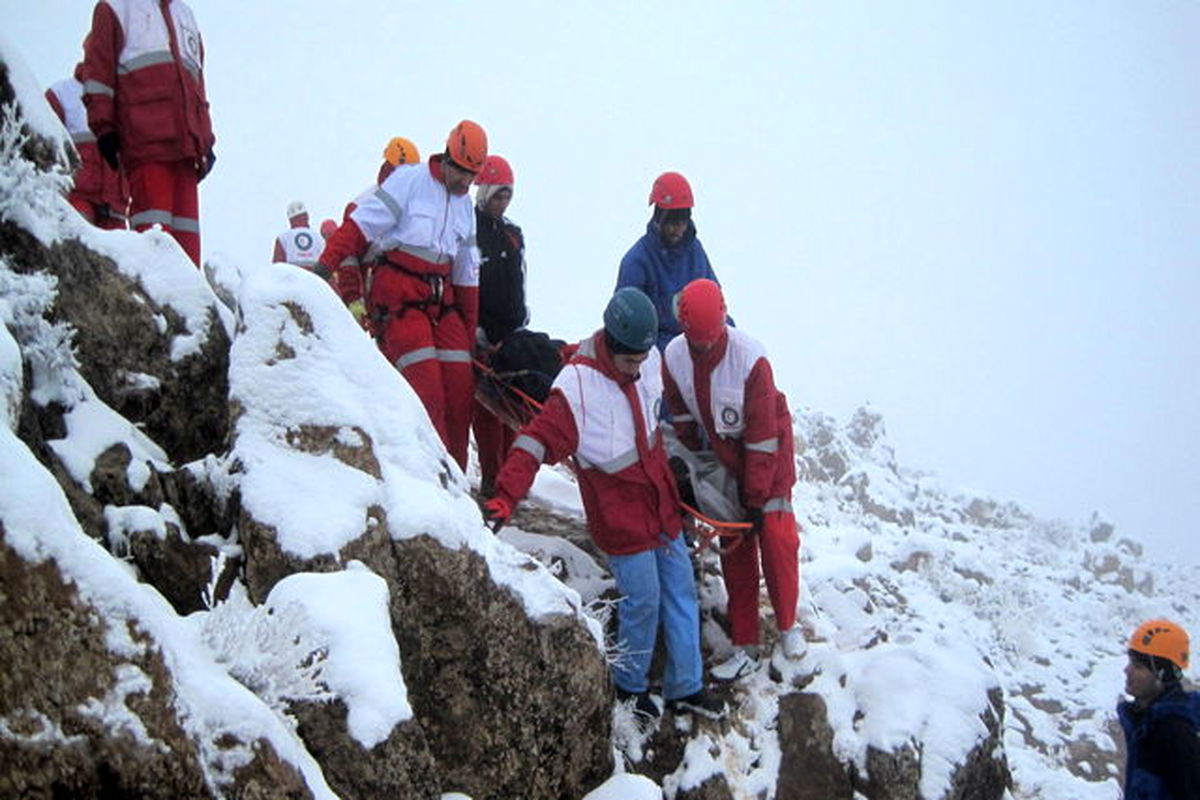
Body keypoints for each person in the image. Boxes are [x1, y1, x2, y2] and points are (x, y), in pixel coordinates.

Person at [483, 288, 725, 721]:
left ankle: (685, 686)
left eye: (642, 358)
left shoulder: (648, 358)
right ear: (611, 344)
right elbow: (534, 442)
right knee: (643, 599)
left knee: (680, 587)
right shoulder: (575, 387)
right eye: (630, 359)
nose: (638, 367)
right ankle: (630, 687)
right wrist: (504, 495)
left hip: (660, 501)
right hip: (619, 512)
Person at [317, 121, 484, 470]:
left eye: (473, 175)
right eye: (463, 173)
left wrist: (468, 334)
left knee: (459, 392)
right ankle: (427, 478)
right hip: (401, 297)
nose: (467, 183)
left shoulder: (465, 206)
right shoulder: (410, 182)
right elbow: (359, 229)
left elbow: (467, 271)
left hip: (442, 300)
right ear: (449, 158)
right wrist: (323, 267)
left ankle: (454, 480)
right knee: (428, 394)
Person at [663, 279, 803, 680]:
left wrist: (756, 498)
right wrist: (692, 461)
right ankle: (745, 642)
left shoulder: (750, 359)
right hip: (725, 455)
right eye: (698, 342)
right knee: (736, 541)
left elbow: (762, 435)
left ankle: (789, 626)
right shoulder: (674, 356)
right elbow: (683, 414)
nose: (705, 348)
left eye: (711, 341)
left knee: (776, 539)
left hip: (770, 456)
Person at [80, 0, 216, 267]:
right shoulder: (116, 8)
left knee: (187, 245)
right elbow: (98, 73)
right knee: (153, 240)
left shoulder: (185, 15)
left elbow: (198, 85)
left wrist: (206, 139)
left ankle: (188, 306)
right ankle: (154, 304)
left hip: (187, 150)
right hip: (145, 142)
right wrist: (104, 127)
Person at [616, 171, 724, 352]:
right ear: (658, 217)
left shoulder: (695, 251)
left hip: (699, 340)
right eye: (672, 222)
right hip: (657, 352)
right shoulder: (636, 262)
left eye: (683, 222)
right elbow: (626, 325)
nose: (678, 229)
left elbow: (716, 301)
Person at [472, 154, 528, 495]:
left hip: (510, 335)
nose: (502, 202)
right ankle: (492, 480)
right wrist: (475, 330)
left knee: (513, 410)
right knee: (487, 414)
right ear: (483, 192)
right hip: (479, 337)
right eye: (497, 195)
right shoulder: (467, 230)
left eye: (506, 195)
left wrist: (521, 322)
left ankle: (510, 479)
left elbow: (520, 281)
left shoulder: (513, 235)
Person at [1118, 619, 1200, 799]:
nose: (1127, 670)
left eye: (1138, 666)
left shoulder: (1175, 732)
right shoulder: (1145, 724)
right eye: (1130, 662)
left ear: (1162, 675)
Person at [45, 66, 129, 230]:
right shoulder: (61, 94)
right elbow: (45, 148)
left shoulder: (124, 95)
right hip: (75, 198)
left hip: (115, 207)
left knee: (116, 254)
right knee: (75, 244)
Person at [271, 201, 325, 270]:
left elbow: (277, 267)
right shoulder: (319, 238)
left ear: (290, 219)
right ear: (307, 216)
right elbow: (326, 264)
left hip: (292, 278)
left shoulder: (283, 238)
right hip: (314, 278)